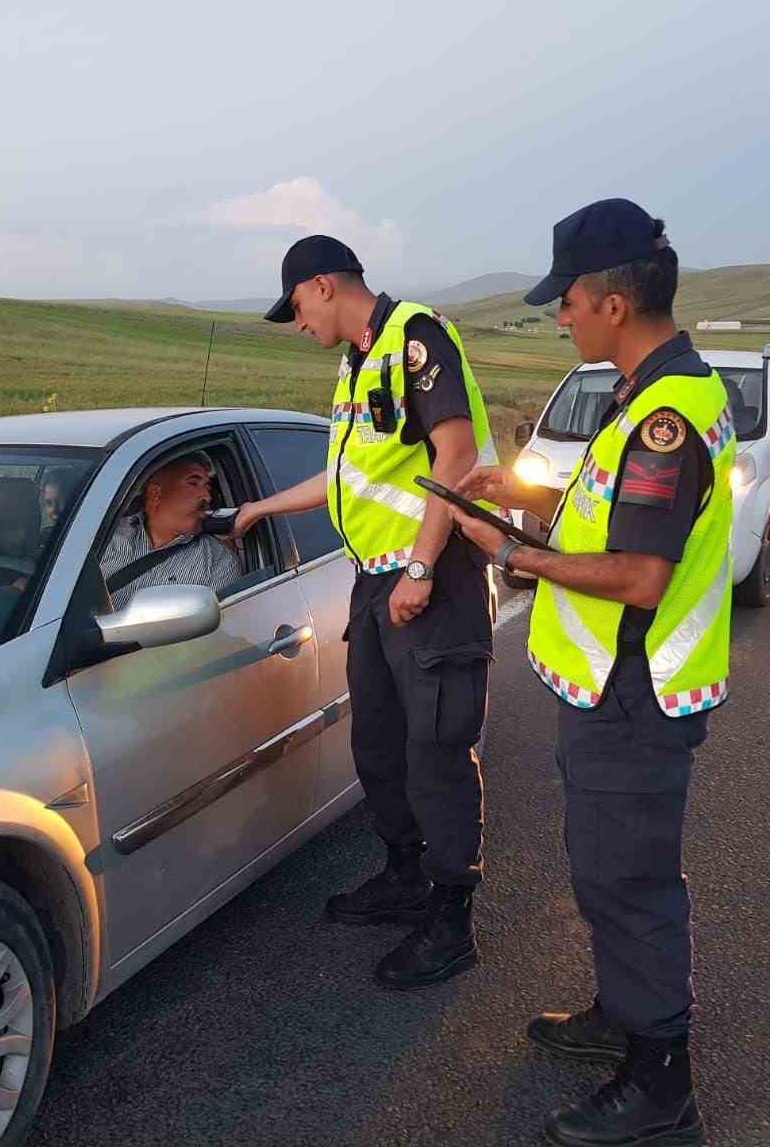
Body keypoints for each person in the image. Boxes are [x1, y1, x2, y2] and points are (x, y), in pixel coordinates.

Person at [447, 199, 732, 1146]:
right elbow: (617, 515)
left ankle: (662, 1086)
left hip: (634, 692)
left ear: (612, 300)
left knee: (630, 883)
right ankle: (623, 1013)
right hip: (613, 689)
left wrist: (510, 554)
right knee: (604, 870)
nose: (558, 315)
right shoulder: (649, 393)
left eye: (565, 299)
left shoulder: (667, 416)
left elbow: (641, 572)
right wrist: (521, 493)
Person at [234, 234, 499, 989]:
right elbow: (343, 478)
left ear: (321, 285)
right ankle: (404, 875)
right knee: (380, 747)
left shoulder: (416, 336)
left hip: (432, 582)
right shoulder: (357, 362)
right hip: (376, 586)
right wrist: (260, 507)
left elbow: (455, 455)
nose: (297, 325)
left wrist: (419, 566)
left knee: (436, 751)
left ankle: (452, 919)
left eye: (295, 308)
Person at [99, 455, 243, 602]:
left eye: (207, 487)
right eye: (193, 483)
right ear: (156, 494)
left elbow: (219, 621)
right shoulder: (102, 537)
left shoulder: (217, 560)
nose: (207, 497)